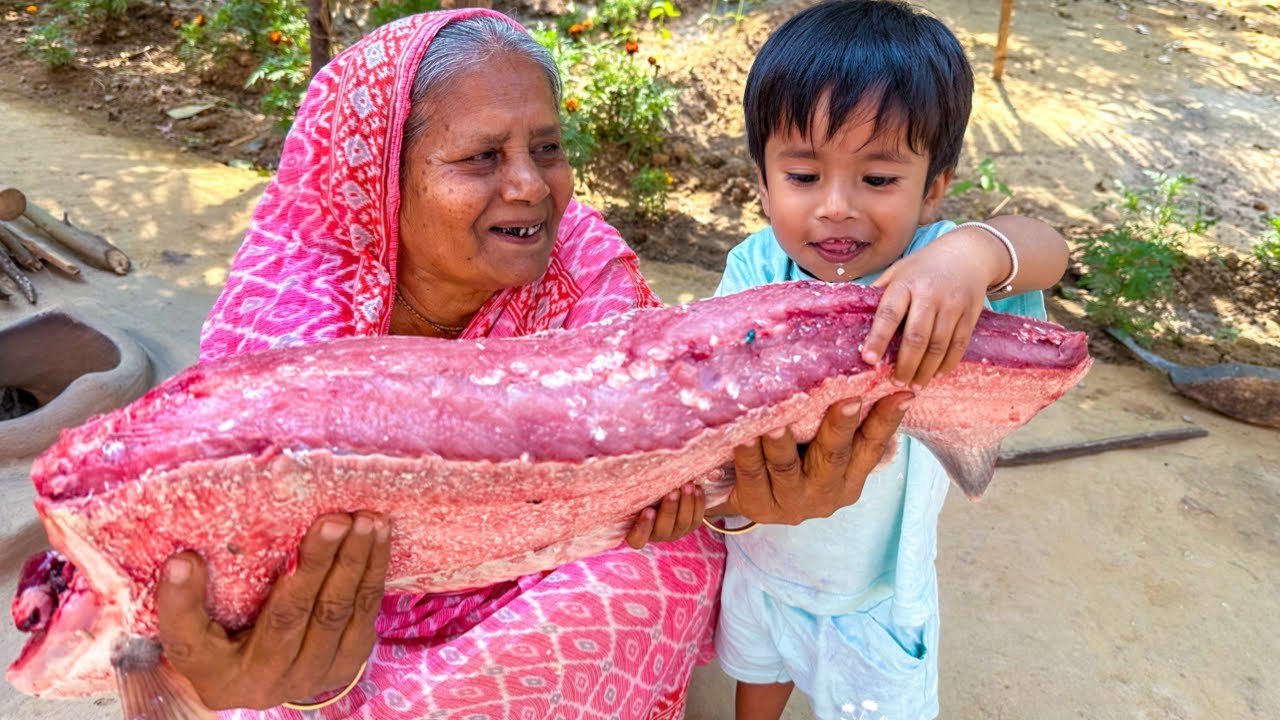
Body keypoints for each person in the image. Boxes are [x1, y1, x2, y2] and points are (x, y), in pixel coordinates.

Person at [151, 8, 911, 719]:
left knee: (662, 564)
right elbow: (229, 562)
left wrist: (742, 498)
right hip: (340, 615)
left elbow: (667, 454)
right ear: (381, 179)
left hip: (535, 579)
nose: (529, 186)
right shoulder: (289, 316)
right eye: (482, 157)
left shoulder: (584, 269)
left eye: (546, 149)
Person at [709, 2, 1071, 719]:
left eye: (878, 180)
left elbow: (1048, 249)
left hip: (876, 594)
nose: (836, 208)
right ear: (761, 180)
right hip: (762, 559)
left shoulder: (937, 280)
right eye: (804, 176)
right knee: (760, 669)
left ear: (933, 186)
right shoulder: (754, 267)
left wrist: (970, 253)